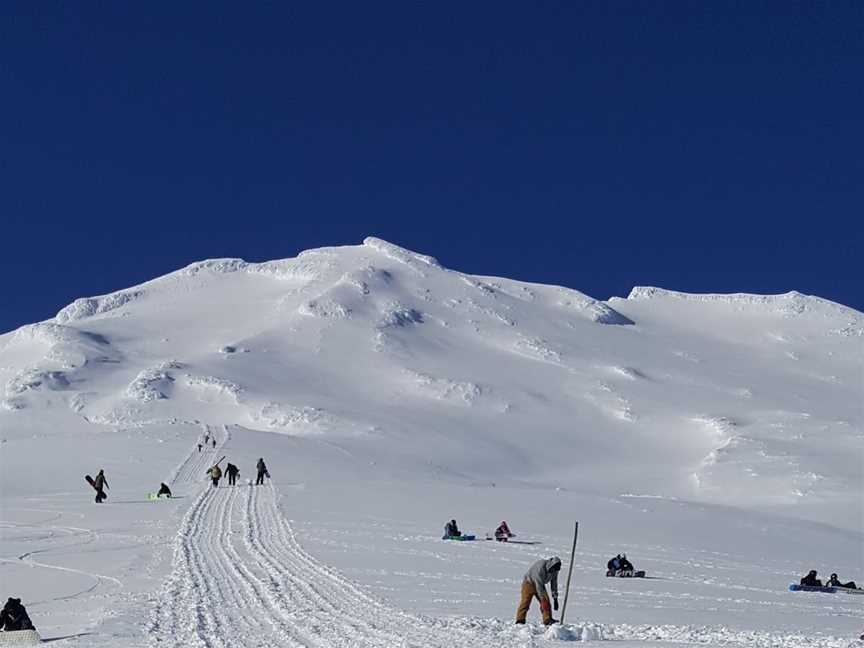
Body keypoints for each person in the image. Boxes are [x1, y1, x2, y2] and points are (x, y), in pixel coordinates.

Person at [516, 556, 561, 626]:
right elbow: (538, 585)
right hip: (529, 583)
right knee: (525, 601)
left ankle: (547, 619)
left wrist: (555, 598)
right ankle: (520, 619)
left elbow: (554, 584)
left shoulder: (555, 571)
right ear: (551, 565)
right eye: (553, 569)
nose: (553, 572)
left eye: (555, 570)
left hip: (540, 584)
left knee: (546, 601)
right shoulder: (541, 566)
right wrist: (543, 599)